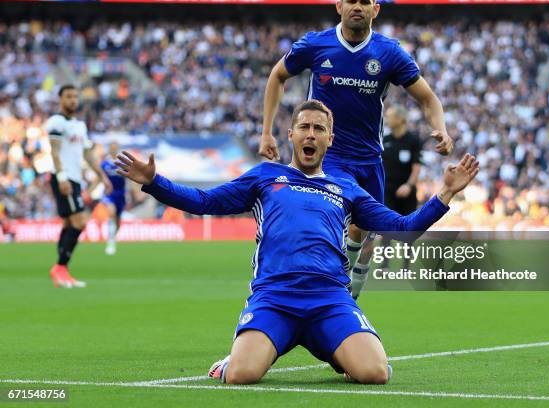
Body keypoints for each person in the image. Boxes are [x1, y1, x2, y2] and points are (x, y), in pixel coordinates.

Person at [116, 100, 478, 385]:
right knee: (242, 376)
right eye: (304, 127)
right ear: (290, 134)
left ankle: (339, 351)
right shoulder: (264, 177)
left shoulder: (346, 188)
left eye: (319, 129)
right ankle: (233, 361)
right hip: (275, 297)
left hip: (329, 300)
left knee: (375, 373)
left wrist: (444, 193)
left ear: (329, 139)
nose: (311, 134)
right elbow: (204, 201)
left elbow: (404, 226)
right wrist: (155, 182)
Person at [258, 0, 453, 299]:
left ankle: (352, 288)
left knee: (364, 233)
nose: (358, 7)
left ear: (375, 9)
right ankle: (325, 289)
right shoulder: (316, 45)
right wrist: (266, 131)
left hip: (369, 159)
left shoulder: (389, 53)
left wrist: (441, 128)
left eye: (365, 2)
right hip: (329, 156)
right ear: (339, 6)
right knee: (333, 223)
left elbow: (428, 98)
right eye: (352, 1)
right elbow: (277, 76)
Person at [47, 85, 112, 288]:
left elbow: (88, 154)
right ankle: (60, 267)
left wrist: (102, 176)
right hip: (64, 178)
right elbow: (55, 152)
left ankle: (62, 271)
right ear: (61, 99)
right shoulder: (56, 122)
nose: (73, 100)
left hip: (75, 179)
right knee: (80, 221)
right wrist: (62, 177)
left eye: (75, 96)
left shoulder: (79, 126)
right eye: (68, 97)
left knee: (68, 224)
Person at [381, 105, 423, 269]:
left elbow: (417, 166)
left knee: (409, 228)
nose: (388, 119)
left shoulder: (413, 140)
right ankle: (385, 264)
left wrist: (409, 185)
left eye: (390, 116)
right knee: (386, 226)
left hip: (408, 190)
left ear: (401, 119)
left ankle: (406, 265)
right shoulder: (385, 140)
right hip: (388, 190)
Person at [100, 141, 127, 255]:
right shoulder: (104, 164)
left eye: (116, 148)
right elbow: (100, 176)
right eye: (112, 148)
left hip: (120, 194)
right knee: (111, 213)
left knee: (118, 222)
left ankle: (112, 238)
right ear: (109, 149)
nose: (113, 150)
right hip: (109, 193)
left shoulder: (123, 164)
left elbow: (130, 178)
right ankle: (110, 243)